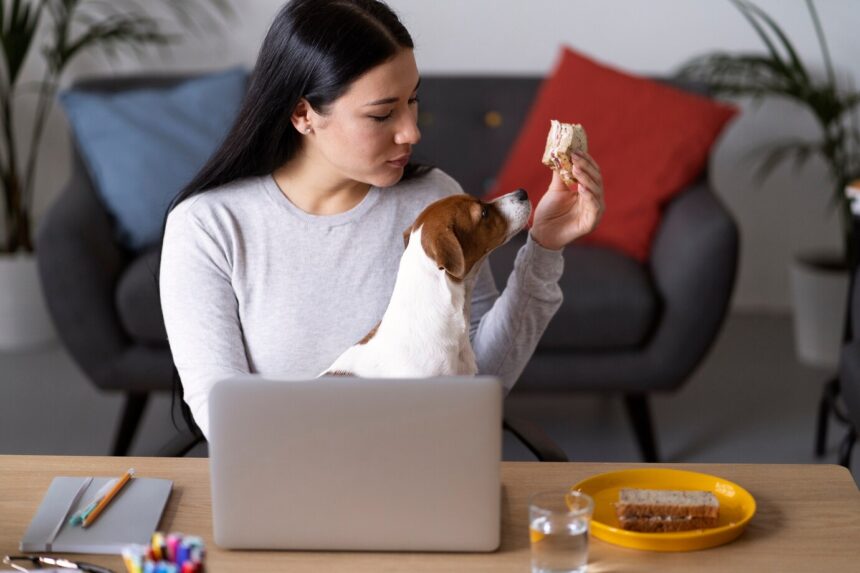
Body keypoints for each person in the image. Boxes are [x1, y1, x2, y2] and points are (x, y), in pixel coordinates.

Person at [159, 0, 605, 441]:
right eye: (382, 113)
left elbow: (479, 385)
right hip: (289, 484)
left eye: (413, 101)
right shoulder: (208, 227)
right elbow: (225, 418)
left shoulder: (434, 202)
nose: (412, 131)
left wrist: (545, 247)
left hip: (425, 474)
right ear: (303, 115)